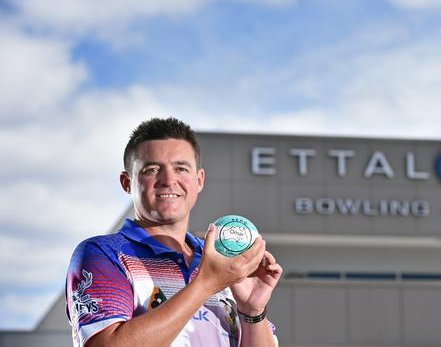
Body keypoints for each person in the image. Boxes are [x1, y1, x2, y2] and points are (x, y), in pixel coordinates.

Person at [65, 117, 283, 347]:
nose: (168, 180)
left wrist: (252, 311)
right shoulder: (103, 253)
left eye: (180, 168)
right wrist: (206, 284)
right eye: (152, 169)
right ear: (126, 182)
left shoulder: (225, 262)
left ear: (199, 180)